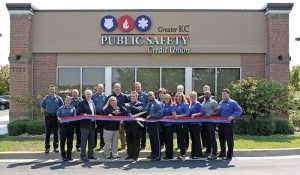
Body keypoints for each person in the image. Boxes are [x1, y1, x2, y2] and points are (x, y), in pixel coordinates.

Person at [218, 89, 242, 160]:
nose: (224, 95)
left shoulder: (232, 102)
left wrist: (232, 116)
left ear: (228, 94)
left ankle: (229, 154)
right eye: (223, 94)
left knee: (229, 139)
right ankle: (222, 153)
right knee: (221, 139)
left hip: (229, 124)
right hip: (221, 123)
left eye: (225, 94)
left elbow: (239, 110)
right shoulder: (220, 102)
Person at [40, 85, 63, 154]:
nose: (51, 91)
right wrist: (47, 113)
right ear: (48, 90)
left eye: (53, 89)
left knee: (56, 133)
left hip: (56, 117)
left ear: (55, 90)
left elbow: (61, 108)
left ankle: (55, 148)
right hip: (48, 117)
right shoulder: (45, 98)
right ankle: (47, 148)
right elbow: (42, 108)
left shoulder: (58, 98)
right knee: (47, 133)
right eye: (50, 89)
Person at [108, 83, 130, 150]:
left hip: (122, 118)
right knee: (113, 132)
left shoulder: (125, 96)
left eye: (118, 87)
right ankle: (113, 146)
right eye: (115, 87)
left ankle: (123, 145)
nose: (117, 88)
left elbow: (128, 106)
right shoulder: (110, 96)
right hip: (113, 118)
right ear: (113, 88)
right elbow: (107, 106)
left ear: (120, 88)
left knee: (121, 131)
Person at [124, 91, 144, 161]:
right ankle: (130, 155)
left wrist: (130, 107)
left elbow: (138, 110)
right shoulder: (127, 104)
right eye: (131, 96)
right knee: (129, 140)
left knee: (136, 140)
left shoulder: (140, 103)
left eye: (134, 96)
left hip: (136, 125)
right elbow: (125, 113)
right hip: (128, 125)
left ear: (137, 97)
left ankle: (135, 156)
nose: (132, 97)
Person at [144, 91, 163, 161]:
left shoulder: (157, 103)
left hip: (155, 124)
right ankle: (153, 154)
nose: (149, 96)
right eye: (148, 95)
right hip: (149, 124)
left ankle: (158, 155)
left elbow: (160, 114)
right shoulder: (149, 103)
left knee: (156, 140)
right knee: (151, 140)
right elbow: (145, 111)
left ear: (154, 95)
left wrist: (151, 115)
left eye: (151, 95)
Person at [78, 89, 97, 162]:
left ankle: (90, 155)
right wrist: (83, 114)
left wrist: (95, 123)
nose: (89, 95)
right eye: (87, 94)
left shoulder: (92, 102)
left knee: (91, 141)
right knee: (84, 141)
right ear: (85, 95)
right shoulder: (81, 102)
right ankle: (83, 156)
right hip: (84, 125)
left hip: (92, 124)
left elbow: (94, 114)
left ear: (91, 95)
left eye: (90, 94)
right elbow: (79, 113)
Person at [57, 96, 76, 161]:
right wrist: (62, 119)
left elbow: (75, 117)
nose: (67, 101)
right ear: (64, 101)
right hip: (63, 126)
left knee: (70, 141)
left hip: (70, 126)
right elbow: (58, 117)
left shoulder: (73, 108)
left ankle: (69, 156)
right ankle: (63, 156)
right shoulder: (61, 108)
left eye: (69, 100)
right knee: (62, 141)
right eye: (66, 100)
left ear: (70, 101)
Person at [202, 91, 220, 160]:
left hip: (212, 122)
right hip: (205, 122)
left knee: (212, 137)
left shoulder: (214, 102)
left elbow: (218, 111)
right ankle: (208, 152)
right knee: (207, 137)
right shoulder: (203, 102)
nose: (206, 95)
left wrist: (210, 114)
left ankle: (214, 153)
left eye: (207, 94)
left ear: (210, 95)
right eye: (205, 94)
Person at [189, 91, 205, 159]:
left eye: (194, 96)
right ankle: (193, 154)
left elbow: (202, 112)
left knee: (197, 139)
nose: (192, 97)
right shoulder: (191, 103)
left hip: (197, 124)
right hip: (191, 124)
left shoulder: (198, 104)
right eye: (191, 96)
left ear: (196, 97)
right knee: (193, 139)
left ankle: (198, 154)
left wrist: (195, 114)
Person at [174, 92, 190, 160]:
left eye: (179, 96)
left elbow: (188, 113)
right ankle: (182, 153)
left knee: (181, 139)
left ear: (182, 97)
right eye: (177, 96)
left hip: (183, 124)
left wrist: (179, 116)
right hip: (178, 124)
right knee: (179, 139)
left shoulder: (184, 104)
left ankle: (183, 154)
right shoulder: (176, 105)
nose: (178, 98)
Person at [92, 83, 107, 151]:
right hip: (95, 115)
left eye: (101, 88)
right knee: (94, 130)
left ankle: (102, 145)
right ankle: (94, 145)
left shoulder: (105, 96)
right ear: (97, 88)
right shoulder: (93, 96)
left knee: (102, 131)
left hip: (103, 116)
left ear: (103, 89)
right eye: (99, 88)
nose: (100, 89)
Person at [162, 94, 176, 160]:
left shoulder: (171, 106)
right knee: (165, 141)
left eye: (167, 98)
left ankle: (170, 155)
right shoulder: (164, 106)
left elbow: (174, 116)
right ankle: (167, 154)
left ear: (170, 99)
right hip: (164, 126)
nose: (166, 99)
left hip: (169, 126)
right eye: (164, 98)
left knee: (169, 141)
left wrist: (166, 117)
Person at [134, 82, 148, 150]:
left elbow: (148, 104)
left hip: (143, 115)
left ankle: (143, 145)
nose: (137, 88)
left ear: (140, 87)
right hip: (135, 115)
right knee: (136, 130)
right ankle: (137, 144)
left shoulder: (145, 95)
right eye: (136, 87)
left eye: (138, 87)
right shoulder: (133, 94)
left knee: (143, 130)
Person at [176, 85, 190, 150]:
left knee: (184, 135)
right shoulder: (176, 102)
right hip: (177, 123)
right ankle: (180, 146)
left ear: (183, 90)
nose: (179, 91)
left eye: (180, 90)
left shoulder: (186, 101)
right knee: (179, 136)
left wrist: (179, 116)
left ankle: (185, 147)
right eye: (178, 90)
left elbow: (188, 112)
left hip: (184, 122)